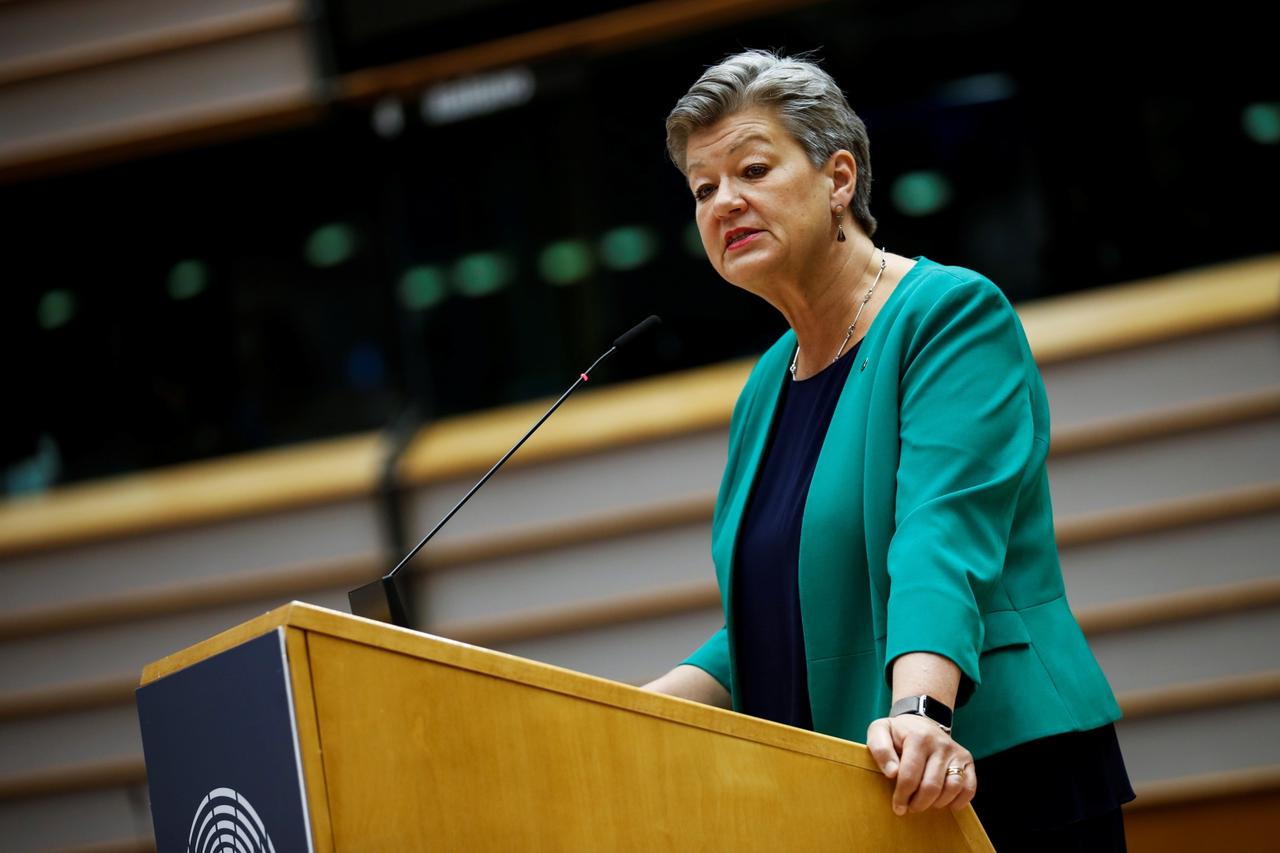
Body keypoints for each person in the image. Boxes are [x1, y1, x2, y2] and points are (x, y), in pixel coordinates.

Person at [641, 50, 1134, 851]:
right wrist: (634, 709)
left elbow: (942, 537)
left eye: (753, 170)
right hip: (860, 792)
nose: (724, 201)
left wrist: (920, 710)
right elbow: (789, 610)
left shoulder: (950, 316)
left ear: (839, 179)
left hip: (987, 769)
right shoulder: (768, 383)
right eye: (703, 188)